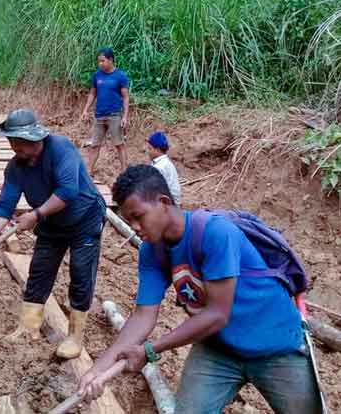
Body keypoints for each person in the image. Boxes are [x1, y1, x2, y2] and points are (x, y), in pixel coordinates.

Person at [78, 165, 323, 414]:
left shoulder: (214, 233)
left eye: (138, 216)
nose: (135, 227)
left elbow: (217, 314)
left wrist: (150, 350)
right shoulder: (151, 251)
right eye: (128, 220)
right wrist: (97, 370)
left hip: (276, 347)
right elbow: (143, 316)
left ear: (164, 202)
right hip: (219, 349)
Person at [0, 109, 106, 359]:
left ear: (35, 138)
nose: (14, 147)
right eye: (11, 141)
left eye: (19, 142)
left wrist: (34, 216)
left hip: (84, 220)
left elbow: (68, 191)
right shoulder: (15, 167)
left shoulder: (60, 148)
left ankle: (75, 336)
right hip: (51, 224)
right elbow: (4, 205)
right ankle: (29, 326)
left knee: (80, 273)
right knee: (39, 270)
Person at [80, 48, 130, 176]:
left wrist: (125, 117)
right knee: (94, 145)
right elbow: (92, 94)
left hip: (115, 115)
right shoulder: (97, 76)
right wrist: (85, 110)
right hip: (99, 116)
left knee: (119, 144)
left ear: (110, 60)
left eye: (102, 61)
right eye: (99, 61)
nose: (100, 64)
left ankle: (124, 172)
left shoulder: (120, 76)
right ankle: (88, 171)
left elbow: (125, 97)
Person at [147, 131, 181, 205]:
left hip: (169, 203)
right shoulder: (165, 162)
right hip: (172, 200)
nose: (148, 152)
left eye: (150, 149)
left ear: (157, 150)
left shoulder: (159, 167)